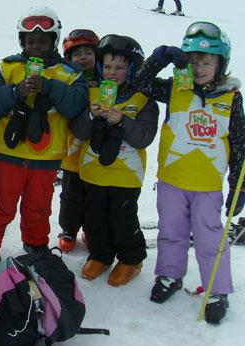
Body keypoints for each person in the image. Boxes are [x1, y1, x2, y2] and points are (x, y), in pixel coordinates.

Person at [134, 22, 244, 324]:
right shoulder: (176, 88)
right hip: (172, 181)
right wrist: (159, 58)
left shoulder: (231, 98)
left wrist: (239, 185)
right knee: (172, 233)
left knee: (210, 239)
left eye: (206, 62)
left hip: (207, 185)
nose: (199, 68)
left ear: (220, 64)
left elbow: (239, 145)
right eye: (193, 61)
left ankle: (217, 290)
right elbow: (140, 84)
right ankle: (170, 276)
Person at [0, 7, 88, 272]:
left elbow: (77, 105)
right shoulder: (8, 67)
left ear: (54, 41)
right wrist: (16, 91)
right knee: (1, 202)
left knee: (38, 206)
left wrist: (49, 87)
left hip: (46, 158)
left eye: (43, 41)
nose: (36, 47)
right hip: (10, 154)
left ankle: (35, 243)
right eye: (30, 41)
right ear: (22, 41)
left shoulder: (69, 73)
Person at [71, 35, 158, 287]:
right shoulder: (92, 93)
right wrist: (91, 114)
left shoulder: (143, 99)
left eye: (120, 67)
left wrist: (122, 120)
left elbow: (144, 137)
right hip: (92, 171)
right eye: (107, 66)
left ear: (131, 70)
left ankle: (132, 259)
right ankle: (100, 255)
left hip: (125, 174)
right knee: (94, 218)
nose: (113, 73)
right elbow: (79, 131)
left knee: (123, 219)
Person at [57, 29, 100, 252]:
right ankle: (68, 229)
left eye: (88, 53)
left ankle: (92, 230)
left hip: (96, 151)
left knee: (94, 197)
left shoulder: (106, 81)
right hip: (73, 151)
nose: (83, 58)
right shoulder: (68, 80)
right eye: (77, 54)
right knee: (71, 196)